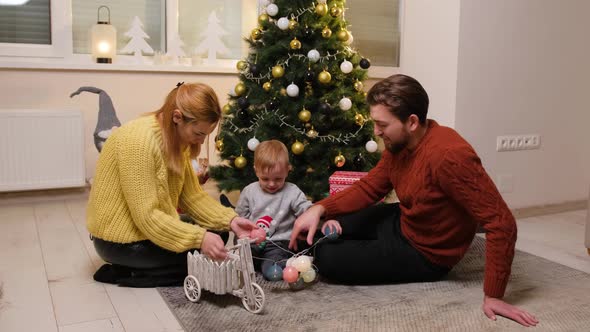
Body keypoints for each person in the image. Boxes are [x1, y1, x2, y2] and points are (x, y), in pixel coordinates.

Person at [288, 74, 538, 327]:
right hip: (405, 220)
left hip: (427, 253)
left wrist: (494, 295)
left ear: (412, 122)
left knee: (329, 258)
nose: (376, 131)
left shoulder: (450, 156)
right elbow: (370, 187)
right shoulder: (399, 144)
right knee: (330, 222)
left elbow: (501, 222)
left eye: (382, 124)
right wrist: (320, 207)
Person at [87, 82, 256, 287]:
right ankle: (128, 272)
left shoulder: (178, 140)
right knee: (203, 255)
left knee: (218, 234)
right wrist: (200, 239)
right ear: (177, 117)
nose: (201, 142)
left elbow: (193, 197)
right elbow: (148, 217)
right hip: (121, 241)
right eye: (199, 133)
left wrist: (231, 220)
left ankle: (142, 270)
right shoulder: (138, 142)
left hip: (145, 230)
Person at [235, 140, 312, 279]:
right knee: (236, 264)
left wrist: (314, 212)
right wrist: (243, 236)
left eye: (278, 179)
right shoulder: (249, 191)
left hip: (278, 244)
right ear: (256, 170)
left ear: (288, 170)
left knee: (272, 270)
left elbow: (306, 210)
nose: (271, 184)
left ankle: (291, 263)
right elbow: (239, 218)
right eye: (265, 179)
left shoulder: (292, 192)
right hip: (253, 243)